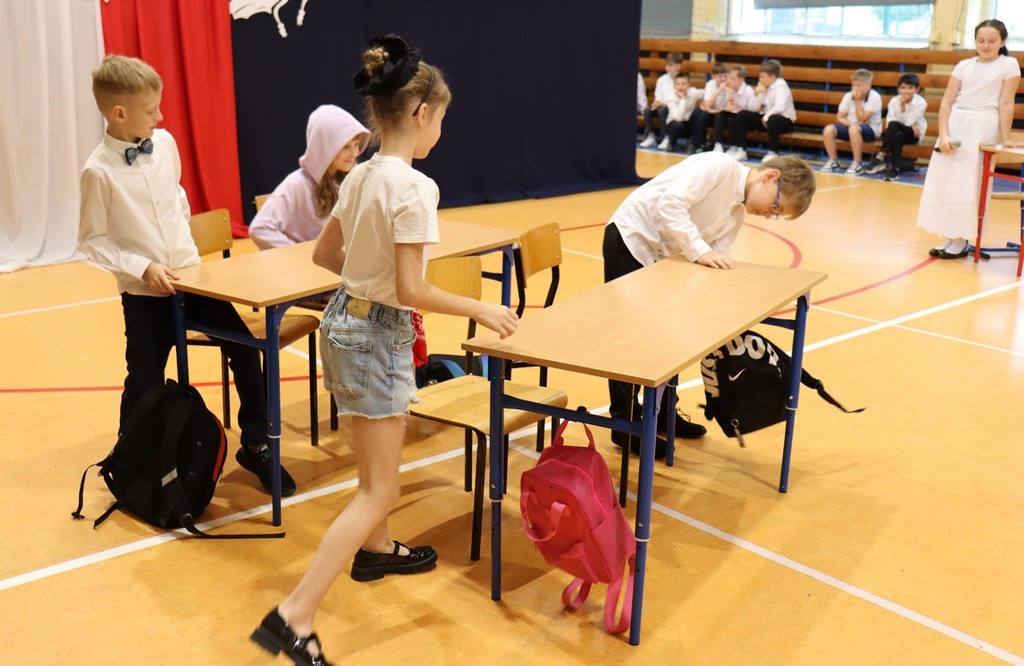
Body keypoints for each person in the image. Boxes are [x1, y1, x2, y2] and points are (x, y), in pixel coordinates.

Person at [249, 35, 518, 666]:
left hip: (343, 324)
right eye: (441, 119)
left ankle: (375, 552)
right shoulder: (414, 187)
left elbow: (325, 256)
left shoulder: (362, 174)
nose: (441, 132)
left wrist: (365, 278)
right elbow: (411, 289)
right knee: (380, 490)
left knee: (373, 476)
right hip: (375, 337)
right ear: (421, 113)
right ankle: (294, 616)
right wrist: (479, 307)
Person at [78, 55, 296, 498]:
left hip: (193, 281)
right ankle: (131, 459)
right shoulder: (97, 171)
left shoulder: (165, 144)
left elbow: (176, 199)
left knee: (245, 349)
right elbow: (91, 241)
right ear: (119, 113)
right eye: (151, 110)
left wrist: (186, 259)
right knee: (144, 379)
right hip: (145, 294)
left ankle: (256, 444)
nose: (161, 117)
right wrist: (144, 266)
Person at [603, 152, 817, 459]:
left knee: (667, 339)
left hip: (661, 258)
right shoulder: (719, 167)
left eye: (776, 215)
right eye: (775, 207)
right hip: (632, 240)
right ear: (771, 177)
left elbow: (719, 252)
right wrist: (700, 252)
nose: (769, 215)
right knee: (631, 341)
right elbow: (670, 204)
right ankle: (624, 424)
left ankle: (662, 412)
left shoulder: (737, 214)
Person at [917, 19, 1022, 259]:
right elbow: (946, 102)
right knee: (946, 181)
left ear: (1002, 42)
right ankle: (950, 235)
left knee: (967, 182)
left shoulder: (1009, 65)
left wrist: (1006, 137)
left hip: (982, 125)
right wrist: (944, 134)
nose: (985, 45)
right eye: (981, 40)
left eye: (992, 41)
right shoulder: (963, 65)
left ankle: (961, 240)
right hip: (956, 123)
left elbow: (1006, 103)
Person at [249, 105, 370, 249]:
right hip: (309, 263)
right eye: (345, 146)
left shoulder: (353, 178)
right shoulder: (297, 184)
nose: (354, 153)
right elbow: (260, 228)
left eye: (356, 144)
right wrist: (300, 254)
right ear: (324, 147)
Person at [730, 59, 797, 163]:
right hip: (767, 119)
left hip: (784, 121)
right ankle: (741, 149)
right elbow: (752, 108)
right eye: (760, 76)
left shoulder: (781, 86)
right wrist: (756, 94)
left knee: (773, 119)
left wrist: (766, 117)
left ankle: (773, 152)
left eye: (762, 77)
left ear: (773, 77)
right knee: (742, 115)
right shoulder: (762, 85)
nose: (760, 79)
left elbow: (780, 107)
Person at [864, 73, 928, 181]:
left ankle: (880, 156)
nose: (906, 91)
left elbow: (908, 123)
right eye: (903, 88)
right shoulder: (894, 101)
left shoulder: (921, 103)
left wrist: (902, 106)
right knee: (897, 134)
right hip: (897, 133)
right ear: (898, 89)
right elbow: (889, 122)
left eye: (910, 88)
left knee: (895, 126)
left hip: (914, 135)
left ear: (917, 89)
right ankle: (895, 170)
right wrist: (901, 111)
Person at [821, 69, 883, 175]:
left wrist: (857, 101)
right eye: (853, 85)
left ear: (868, 85)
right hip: (852, 127)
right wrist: (851, 124)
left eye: (859, 85)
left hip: (871, 130)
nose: (855, 88)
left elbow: (862, 119)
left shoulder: (875, 97)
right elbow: (840, 117)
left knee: (854, 129)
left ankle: (857, 163)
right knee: (829, 129)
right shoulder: (848, 96)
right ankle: (833, 160)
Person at [640, 52, 683, 149]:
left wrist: (665, 104)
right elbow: (658, 96)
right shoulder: (662, 79)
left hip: (674, 109)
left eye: (670, 65)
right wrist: (656, 103)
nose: (667, 68)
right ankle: (651, 136)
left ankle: (666, 137)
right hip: (661, 106)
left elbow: (680, 99)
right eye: (667, 65)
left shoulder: (681, 80)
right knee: (648, 110)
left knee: (662, 110)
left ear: (678, 66)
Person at [690, 62, 730, 153]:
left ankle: (717, 144)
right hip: (712, 112)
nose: (723, 79)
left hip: (722, 114)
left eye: (725, 76)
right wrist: (719, 90)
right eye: (720, 77)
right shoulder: (710, 84)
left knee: (720, 116)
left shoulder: (730, 85)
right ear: (713, 76)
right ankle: (698, 144)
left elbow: (729, 106)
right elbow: (708, 105)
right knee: (700, 114)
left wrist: (712, 110)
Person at [663, 73, 705, 152]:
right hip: (674, 124)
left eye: (683, 84)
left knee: (699, 113)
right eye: (678, 84)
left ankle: (694, 144)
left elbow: (704, 93)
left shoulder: (692, 92)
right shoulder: (671, 97)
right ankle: (671, 142)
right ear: (674, 86)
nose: (680, 86)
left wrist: (704, 104)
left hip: (688, 123)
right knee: (677, 126)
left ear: (688, 85)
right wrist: (683, 99)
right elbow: (678, 118)